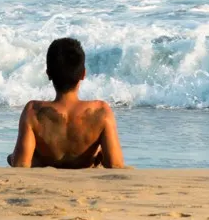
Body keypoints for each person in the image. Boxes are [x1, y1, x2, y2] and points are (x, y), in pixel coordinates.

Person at [8, 37, 125, 169]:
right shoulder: (101, 111)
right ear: (83, 74)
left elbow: (21, 164)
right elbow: (115, 164)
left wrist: (12, 158)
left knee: (14, 157)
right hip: (85, 170)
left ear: (48, 74)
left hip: (48, 165)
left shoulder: (33, 111)